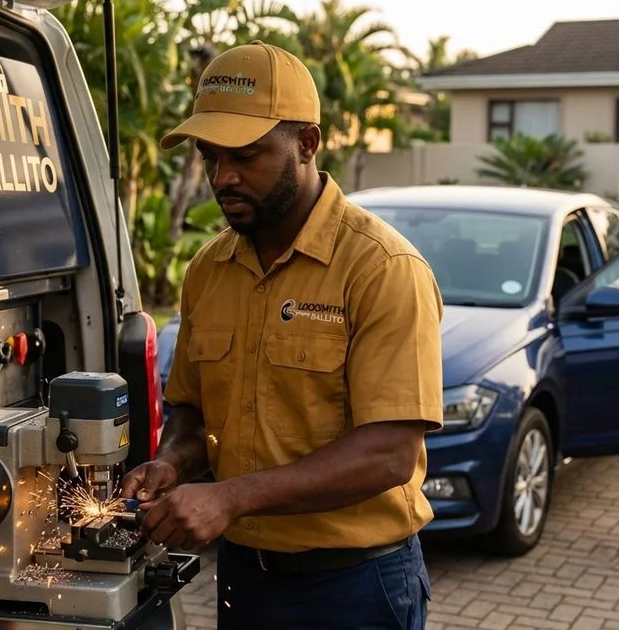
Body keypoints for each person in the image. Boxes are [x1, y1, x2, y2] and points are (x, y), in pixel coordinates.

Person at [119, 40, 444, 630]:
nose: (224, 177)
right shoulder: (208, 271)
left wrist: (229, 498)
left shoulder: (382, 269)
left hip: (355, 588)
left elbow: (389, 455)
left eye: (245, 155)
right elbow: (192, 414)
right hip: (246, 580)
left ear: (307, 144)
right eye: (209, 155)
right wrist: (170, 464)